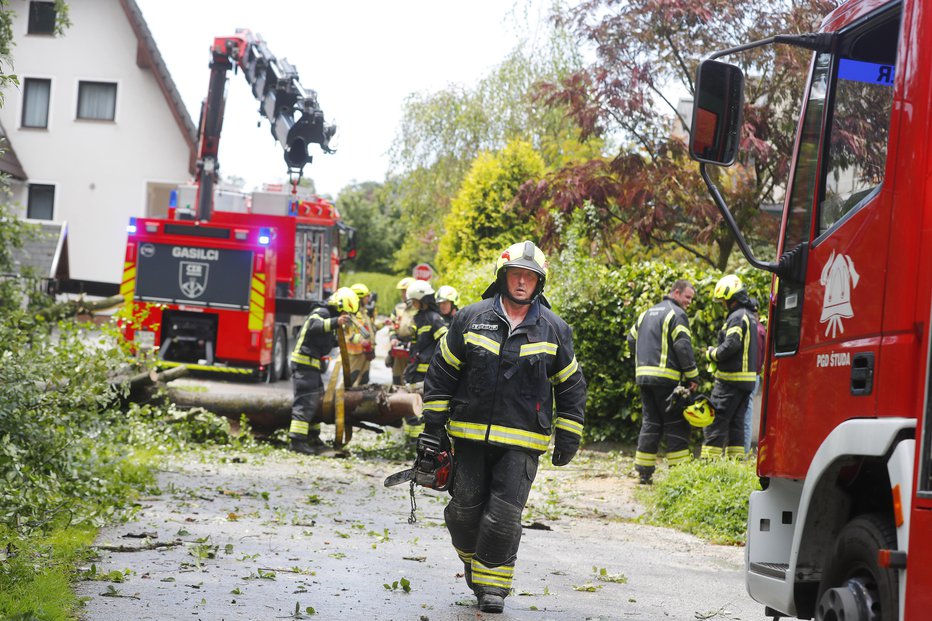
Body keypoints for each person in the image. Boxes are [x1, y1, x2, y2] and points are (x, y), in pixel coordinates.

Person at [421, 240, 586, 614]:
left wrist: (570, 433)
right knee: (463, 512)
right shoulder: (469, 317)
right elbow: (442, 373)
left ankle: (492, 588)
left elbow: (571, 385)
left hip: (523, 441)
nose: (523, 282)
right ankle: (474, 559)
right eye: (517, 274)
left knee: (503, 515)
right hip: (468, 436)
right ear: (503, 276)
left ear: (539, 283)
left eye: (530, 276)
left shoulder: (555, 330)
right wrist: (432, 428)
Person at [627, 279, 699, 485]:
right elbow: (683, 346)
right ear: (676, 293)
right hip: (666, 378)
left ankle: (644, 472)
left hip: (643, 377)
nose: (689, 302)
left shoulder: (646, 313)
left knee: (650, 422)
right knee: (676, 423)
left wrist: (644, 359)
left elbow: (631, 340)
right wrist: (693, 376)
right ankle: (680, 474)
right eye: (687, 297)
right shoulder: (677, 314)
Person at [288, 287, 357, 454]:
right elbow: (314, 325)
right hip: (304, 364)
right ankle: (297, 441)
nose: (343, 316)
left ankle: (312, 436)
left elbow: (326, 341)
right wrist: (336, 322)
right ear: (340, 305)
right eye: (344, 312)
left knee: (316, 399)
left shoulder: (329, 316)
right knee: (306, 401)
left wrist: (341, 335)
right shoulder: (322, 312)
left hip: (312, 365)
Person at [703, 274, 759, 459]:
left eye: (723, 301)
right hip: (746, 381)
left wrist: (712, 353)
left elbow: (732, 344)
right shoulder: (749, 316)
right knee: (737, 424)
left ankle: (708, 466)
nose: (722, 305)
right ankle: (734, 465)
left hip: (730, 380)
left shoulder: (737, 317)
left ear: (730, 299)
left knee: (716, 421)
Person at [345, 283, 376, 387]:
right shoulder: (350, 315)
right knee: (349, 382)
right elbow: (347, 335)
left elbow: (369, 330)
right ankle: (340, 402)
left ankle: (357, 403)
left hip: (365, 353)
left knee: (364, 381)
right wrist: (361, 341)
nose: (368, 298)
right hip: (355, 355)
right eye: (366, 296)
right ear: (359, 298)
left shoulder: (364, 313)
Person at [388, 276, 417, 385]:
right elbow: (392, 325)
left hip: (413, 348)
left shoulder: (419, 309)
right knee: (397, 377)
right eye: (402, 292)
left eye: (405, 292)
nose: (403, 294)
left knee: (411, 378)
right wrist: (393, 338)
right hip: (399, 347)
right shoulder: (398, 308)